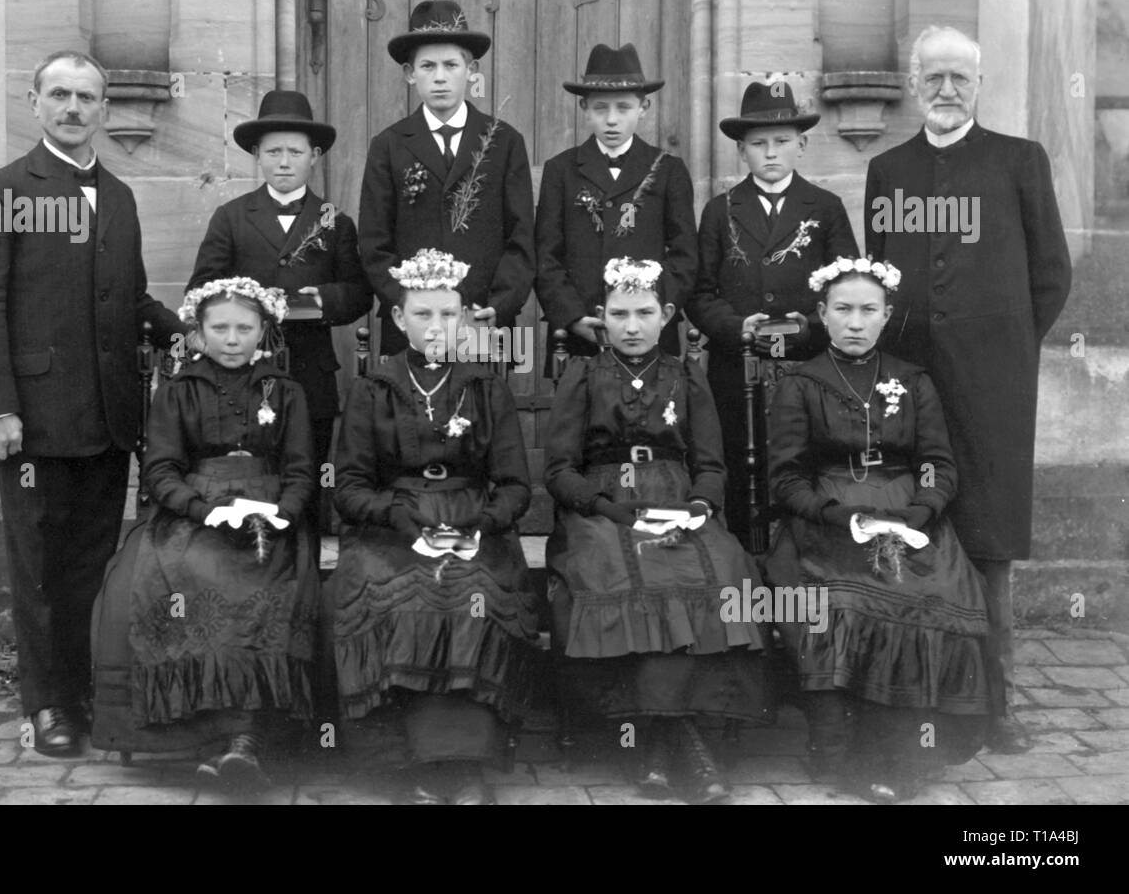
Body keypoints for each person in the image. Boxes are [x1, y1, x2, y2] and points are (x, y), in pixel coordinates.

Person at [0, 50, 190, 756]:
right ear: (35, 104)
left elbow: (133, 297)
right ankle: (45, 705)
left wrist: (195, 329)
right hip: (34, 423)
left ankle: (86, 693)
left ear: (105, 110)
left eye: (87, 98)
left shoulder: (117, 197)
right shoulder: (3, 190)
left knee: (91, 565)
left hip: (109, 420)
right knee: (40, 572)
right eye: (59, 95)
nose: (74, 109)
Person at [864, 25, 1072, 753]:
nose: (947, 90)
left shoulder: (1019, 161)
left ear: (978, 85)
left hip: (995, 389)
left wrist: (1004, 344)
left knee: (988, 544)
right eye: (935, 77)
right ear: (914, 83)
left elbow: (1052, 274)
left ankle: (997, 705)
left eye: (961, 77)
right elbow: (882, 277)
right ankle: (917, 693)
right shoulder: (888, 171)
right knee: (915, 526)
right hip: (914, 384)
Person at [543, 257, 772, 804]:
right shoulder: (583, 373)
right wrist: (608, 508)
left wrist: (697, 507)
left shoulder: (686, 374)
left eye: (644, 313)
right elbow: (558, 471)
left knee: (722, 566)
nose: (631, 325)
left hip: (676, 498)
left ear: (667, 314)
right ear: (602, 316)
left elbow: (713, 465)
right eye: (619, 313)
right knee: (624, 570)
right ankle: (672, 741)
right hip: (603, 508)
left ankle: (665, 742)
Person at [765, 255, 991, 802]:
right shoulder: (801, 383)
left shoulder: (913, 380)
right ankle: (844, 744)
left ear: (887, 316)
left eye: (869, 310)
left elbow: (937, 462)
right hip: (828, 515)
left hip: (906, 510)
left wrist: (920, 513)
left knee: (933, 595)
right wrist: (838, 515)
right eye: (843, 309)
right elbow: (787, 476)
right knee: (842, 599)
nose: (856, 322)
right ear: (822, 314)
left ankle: (904, 746)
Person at [329, 248, 542, 805]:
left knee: (471, 594)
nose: (437, 327)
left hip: (473, 521)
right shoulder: (373, 387)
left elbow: (516, 484)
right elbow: (348, 486)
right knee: (402, 599)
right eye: (422, 314)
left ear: (464, 318)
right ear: (399, 320)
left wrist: (481, 523)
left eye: (449, 315)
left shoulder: (485, 386)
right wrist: (398, 518)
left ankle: (465, 763)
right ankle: (412, 763)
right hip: (393, 525)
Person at [97, 277, 318, 789]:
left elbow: (303, 468)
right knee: (191, 577)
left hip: (269, 512)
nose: (233, 339)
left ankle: (244, 741)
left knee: (264, 584)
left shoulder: (285, 391)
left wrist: (283, 512)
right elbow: (160, 471)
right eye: (220, 328)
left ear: (264, 329)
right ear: (198, 332)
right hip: (195, 514)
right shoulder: (178, 391)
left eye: (245, 328)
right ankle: (207, 737)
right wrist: (203, 510)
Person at [187, 89, 372, 549]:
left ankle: (304, 579)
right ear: (257, 156)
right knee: (253, 474)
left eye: (295, 152)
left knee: (303, 478)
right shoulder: (231, 217)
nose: (284, 162)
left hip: (310, 371)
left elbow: (358, 293)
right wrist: (240, 307)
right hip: (243, 375)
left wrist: (325, 298)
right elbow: (200, 290)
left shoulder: (335, 221)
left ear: (315, 157)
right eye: (273, 152)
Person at [687, 81, 859, 551]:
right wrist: (734, 326)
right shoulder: (720, 211)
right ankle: (748, 568)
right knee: (742, 467)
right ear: (741, 151)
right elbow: (700, 294)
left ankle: (804, 567)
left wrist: (809, 325)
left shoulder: (825, 209)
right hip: (737, 366)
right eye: (759, 144)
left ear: (801, 145)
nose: (771, 153)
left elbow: (848, 291)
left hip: (806, 367)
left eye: (782, 141)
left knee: (803, 464)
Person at [359, 0, 535, 357]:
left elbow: (521, 236)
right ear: (410, 73)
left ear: (472, 69)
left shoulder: (504, 141)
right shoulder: (389, 145)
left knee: (484, 406)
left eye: (451, 65)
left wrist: (499, 305)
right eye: (428, 66)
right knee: (411, 408)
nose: (440, 77)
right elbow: (374, 242)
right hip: (412, 321)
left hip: (483, 316)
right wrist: (410, 307)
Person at [535, 43, 698, 368]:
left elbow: (684, 255)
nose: (611, 120)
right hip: (581, 335)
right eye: (600, 108)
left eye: (623, 108)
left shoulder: (668, 169)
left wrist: (653, 312)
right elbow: (546, 256)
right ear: (584, 107)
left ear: (643, 107)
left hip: (651, 331)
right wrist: (574, 317)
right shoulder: (561, 170)